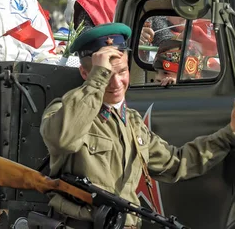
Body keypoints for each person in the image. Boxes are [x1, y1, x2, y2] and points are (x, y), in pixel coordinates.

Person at [40, 23, 235, 228]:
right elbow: (63, 139)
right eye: (107, 74)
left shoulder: (132, 122)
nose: (116, 83)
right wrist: (98, 77)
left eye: (122, 71)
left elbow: (176, 163)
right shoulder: (62, 111)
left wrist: (228, 134)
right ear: (86, 74)